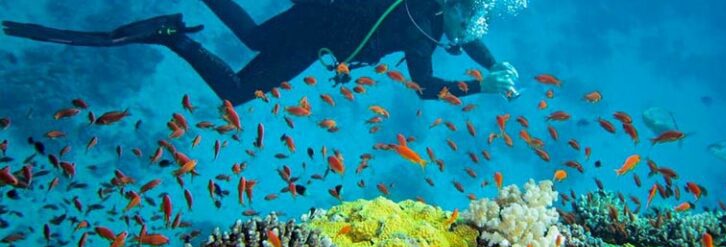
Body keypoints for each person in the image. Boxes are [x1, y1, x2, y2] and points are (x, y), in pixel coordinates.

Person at [2, 0, 520, 106]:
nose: (472, 28)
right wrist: (480, 86)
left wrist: (490, 61)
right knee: (240, 83)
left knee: (245, 60)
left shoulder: (434, 15)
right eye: (469, 14)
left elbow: (467, 33)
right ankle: (170, 36)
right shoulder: (420, 29)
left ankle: (173, 32)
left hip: (319, 26)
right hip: (315, 28)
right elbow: (427, 87)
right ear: (451, 6)